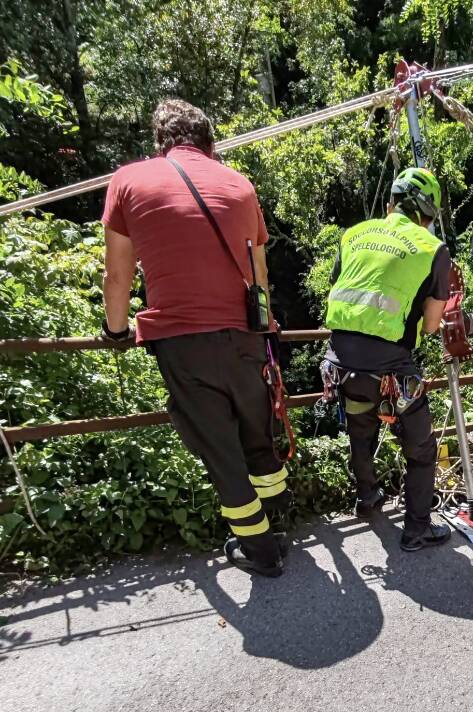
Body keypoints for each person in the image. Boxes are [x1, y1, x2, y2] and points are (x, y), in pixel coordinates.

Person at [101, 98, 290, 578]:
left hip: (182, 339)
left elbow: (118, 275)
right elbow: (259, 274)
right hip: (245, 334)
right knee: (256, 435)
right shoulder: (240, 185)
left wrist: (115, 331)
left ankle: (261, 552)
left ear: (159, 141)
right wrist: (264, 328)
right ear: (210, 141)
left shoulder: (128, 181)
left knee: (221, 451)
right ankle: (279, 523)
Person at [323, 167, 452, 552]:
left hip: (341, 365)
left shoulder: (354, 234)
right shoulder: (433, 249)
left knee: (360, 431)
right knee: (421, 448)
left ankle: (368, 497)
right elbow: (430, 326)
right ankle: (416, 530)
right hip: (392, 370)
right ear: (426, 216)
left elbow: (339, 290)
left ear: (391, 203)